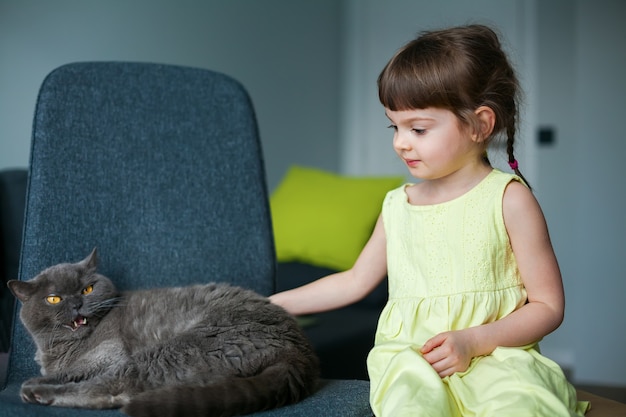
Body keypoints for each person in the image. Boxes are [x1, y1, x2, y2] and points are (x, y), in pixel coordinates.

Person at [270, 24, 589, 416]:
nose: (400, 142)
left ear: (479, 124)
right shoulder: (397, 206)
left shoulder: (508, 199)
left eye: (418, 128)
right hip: (414, 362)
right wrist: (272, 304)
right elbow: (354, 281)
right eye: (395, 126)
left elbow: (547, 305)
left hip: (497, 358)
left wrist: (473, 342)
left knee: (523, 406)